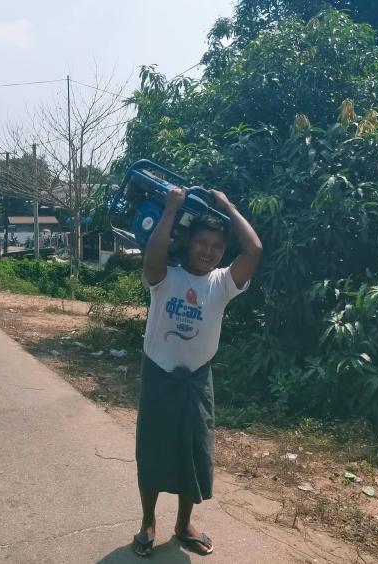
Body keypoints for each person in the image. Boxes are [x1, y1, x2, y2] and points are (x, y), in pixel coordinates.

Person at [132, 187, 262, 557]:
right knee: (152, 451)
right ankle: (148, 522)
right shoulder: (165, 276)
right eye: (202, 243)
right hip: (158, 374)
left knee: (195, 451)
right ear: (189, 242)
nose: (208, 251)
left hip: (197, 379)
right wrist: (171, 209)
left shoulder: (222, 283)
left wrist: (229, 206)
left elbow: (254, 250)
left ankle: (183, 523)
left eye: (216, 247)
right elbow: (152, 257)